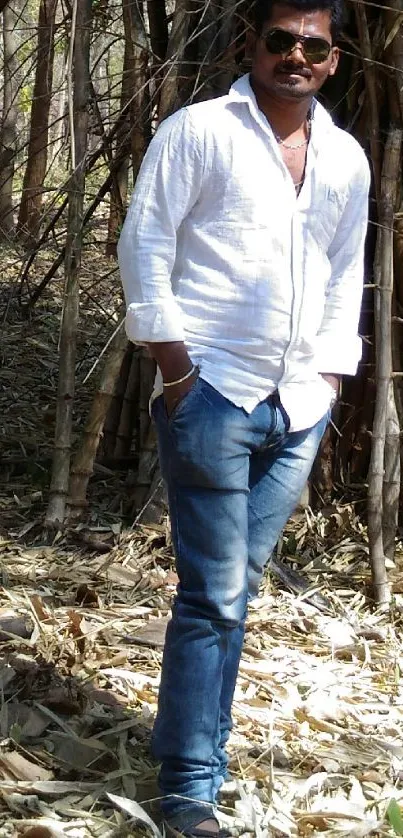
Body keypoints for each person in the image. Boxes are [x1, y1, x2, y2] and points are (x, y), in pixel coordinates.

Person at [118, 0, 370, 833]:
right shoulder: (199, 130)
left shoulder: (344, 156)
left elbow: (342, 269)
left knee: (234, 592)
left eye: (312, 46)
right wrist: (175, 368)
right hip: (213, 390)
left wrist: (332, 377)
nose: (294, 56)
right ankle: (190, 787)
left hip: (298, 404)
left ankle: (199, 758)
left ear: (332, 62)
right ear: (248, 46)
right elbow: (146, 240)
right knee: (214, 596)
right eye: (279, 40)